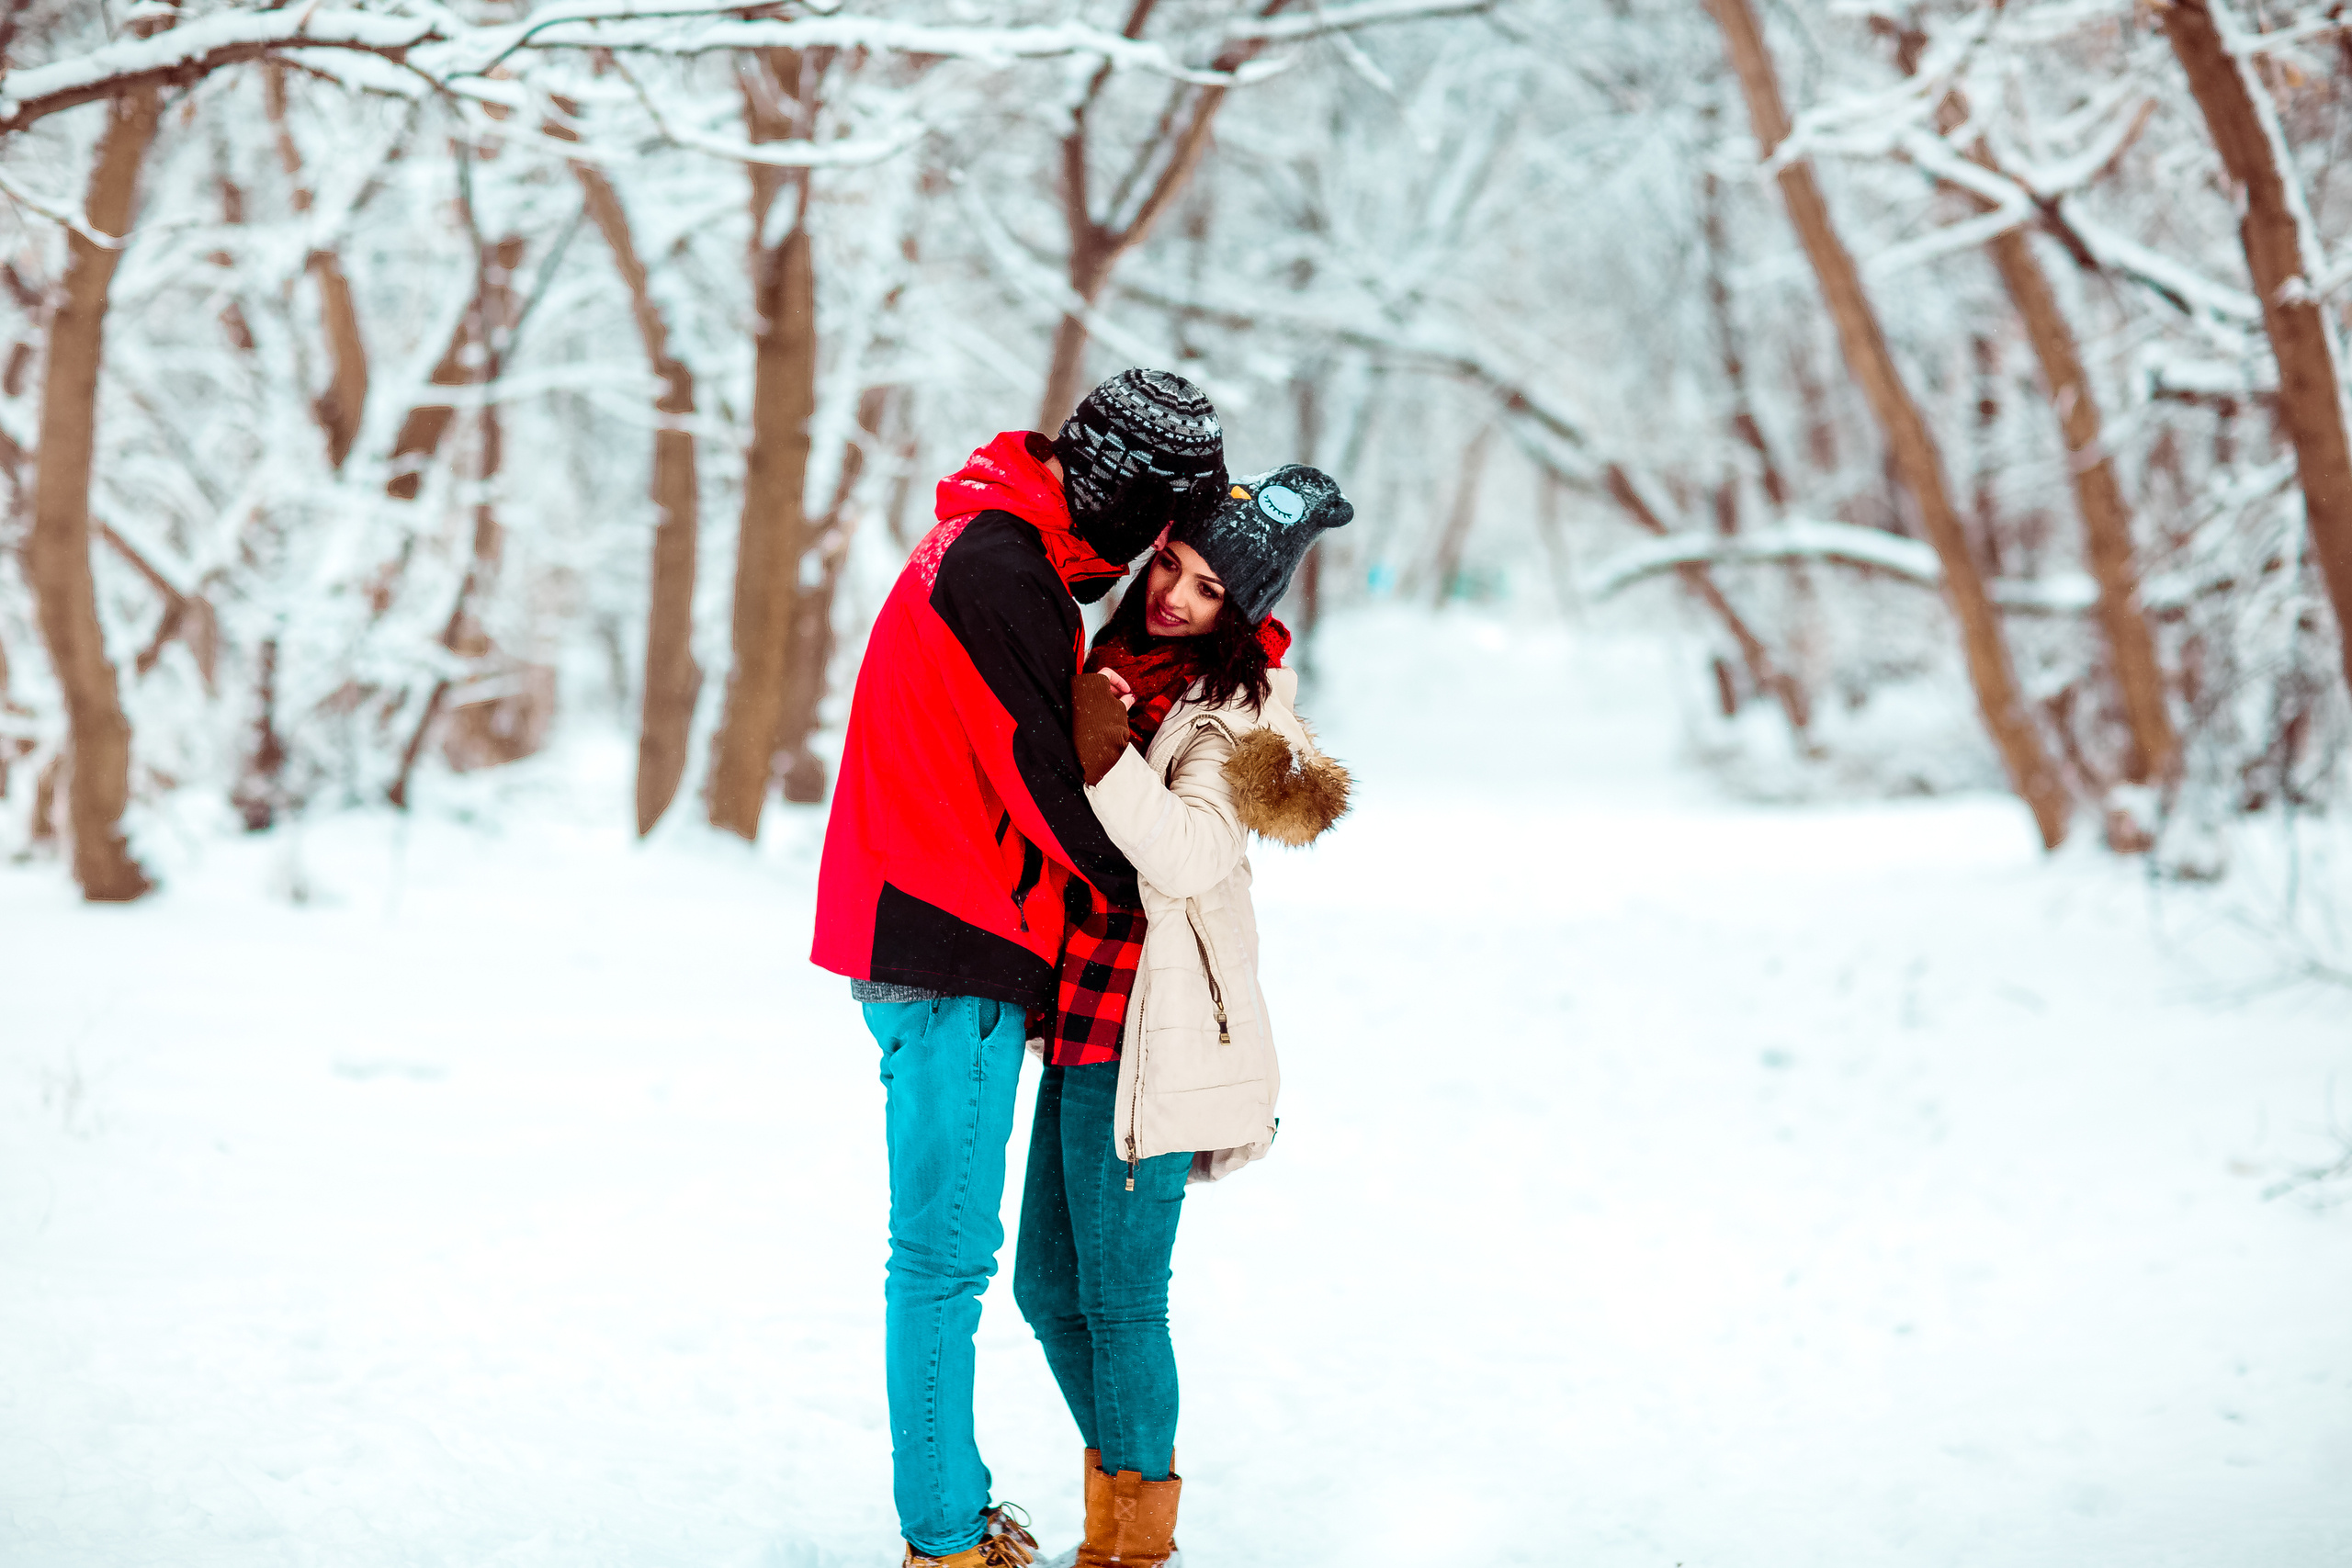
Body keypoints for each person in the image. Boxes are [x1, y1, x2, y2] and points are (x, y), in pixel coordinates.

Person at [812, 369, 1228, 1568]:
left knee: (947, 1257)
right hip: (946, 948)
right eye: (1158, 528)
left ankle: (955, 1506)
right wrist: (1167, 897)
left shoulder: (1005, 548)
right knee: (944, 1260)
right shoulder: (1004, 572)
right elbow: (1055, 787)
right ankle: (943, 1537)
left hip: (934, 938)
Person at [1012, 467, 1354, 1568]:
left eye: (1208, 588)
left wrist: (1101, 745)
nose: (1173, 595)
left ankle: (1129, 1549)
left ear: (1238, 613)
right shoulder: (1113, 663)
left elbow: (1194, 853)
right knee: (1047, 1290)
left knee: (1119, 1302)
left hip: (1148, 1033)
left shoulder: (1229, 707)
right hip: (1083, 1013)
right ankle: (1124, 1509)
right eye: (1171, 565)